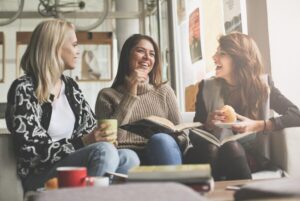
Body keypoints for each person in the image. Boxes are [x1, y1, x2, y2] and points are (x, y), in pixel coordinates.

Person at [5, 19, 139, 192]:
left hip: (72, 166)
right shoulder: (24, 88)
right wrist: (84, 142)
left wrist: (101, 136)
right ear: (55, 47)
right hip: (40, 174)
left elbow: (90, 128)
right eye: (75, 44)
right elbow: (32, 152)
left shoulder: (70, 86)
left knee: (130, 157)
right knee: (104, 152)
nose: (78, 51)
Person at [185, 32, 300, 180]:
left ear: (239, 59)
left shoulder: (263, 86)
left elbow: (296, 115)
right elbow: (193, 136)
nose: (214, 58)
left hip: (244, 155)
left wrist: (260, 125)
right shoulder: (206, 87)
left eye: (222, 53)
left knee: (231, 148)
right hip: (210, 154)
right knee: (211, 150)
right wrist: (207, 124)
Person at [95, 34, 190, 165]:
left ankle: (176, 184)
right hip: (125, 156)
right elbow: (110, 141)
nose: (147, 57)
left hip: (161, 151)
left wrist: (169, 135)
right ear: (127, 56)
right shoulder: (106, 96)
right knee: (130, 156)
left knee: (160, 140)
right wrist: (130, 94)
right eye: (140, 51)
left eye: (152, 54)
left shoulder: (165, 92)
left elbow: (183, 137)